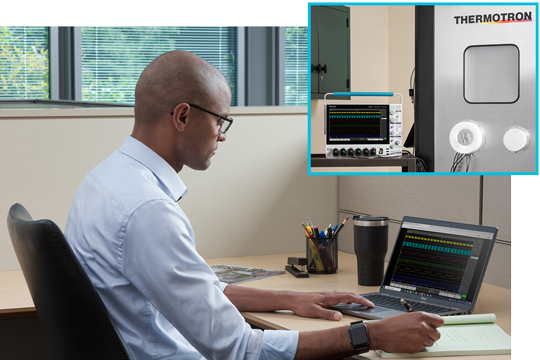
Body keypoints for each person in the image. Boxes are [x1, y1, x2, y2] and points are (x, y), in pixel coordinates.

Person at [65, 50, 444, 360]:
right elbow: (239, 350)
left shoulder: (104, 179)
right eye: (220, 121)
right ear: (182, 116)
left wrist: (293, 300)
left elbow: (200, 292)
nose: (222, 136)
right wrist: (371, 334)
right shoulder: (148, 211)